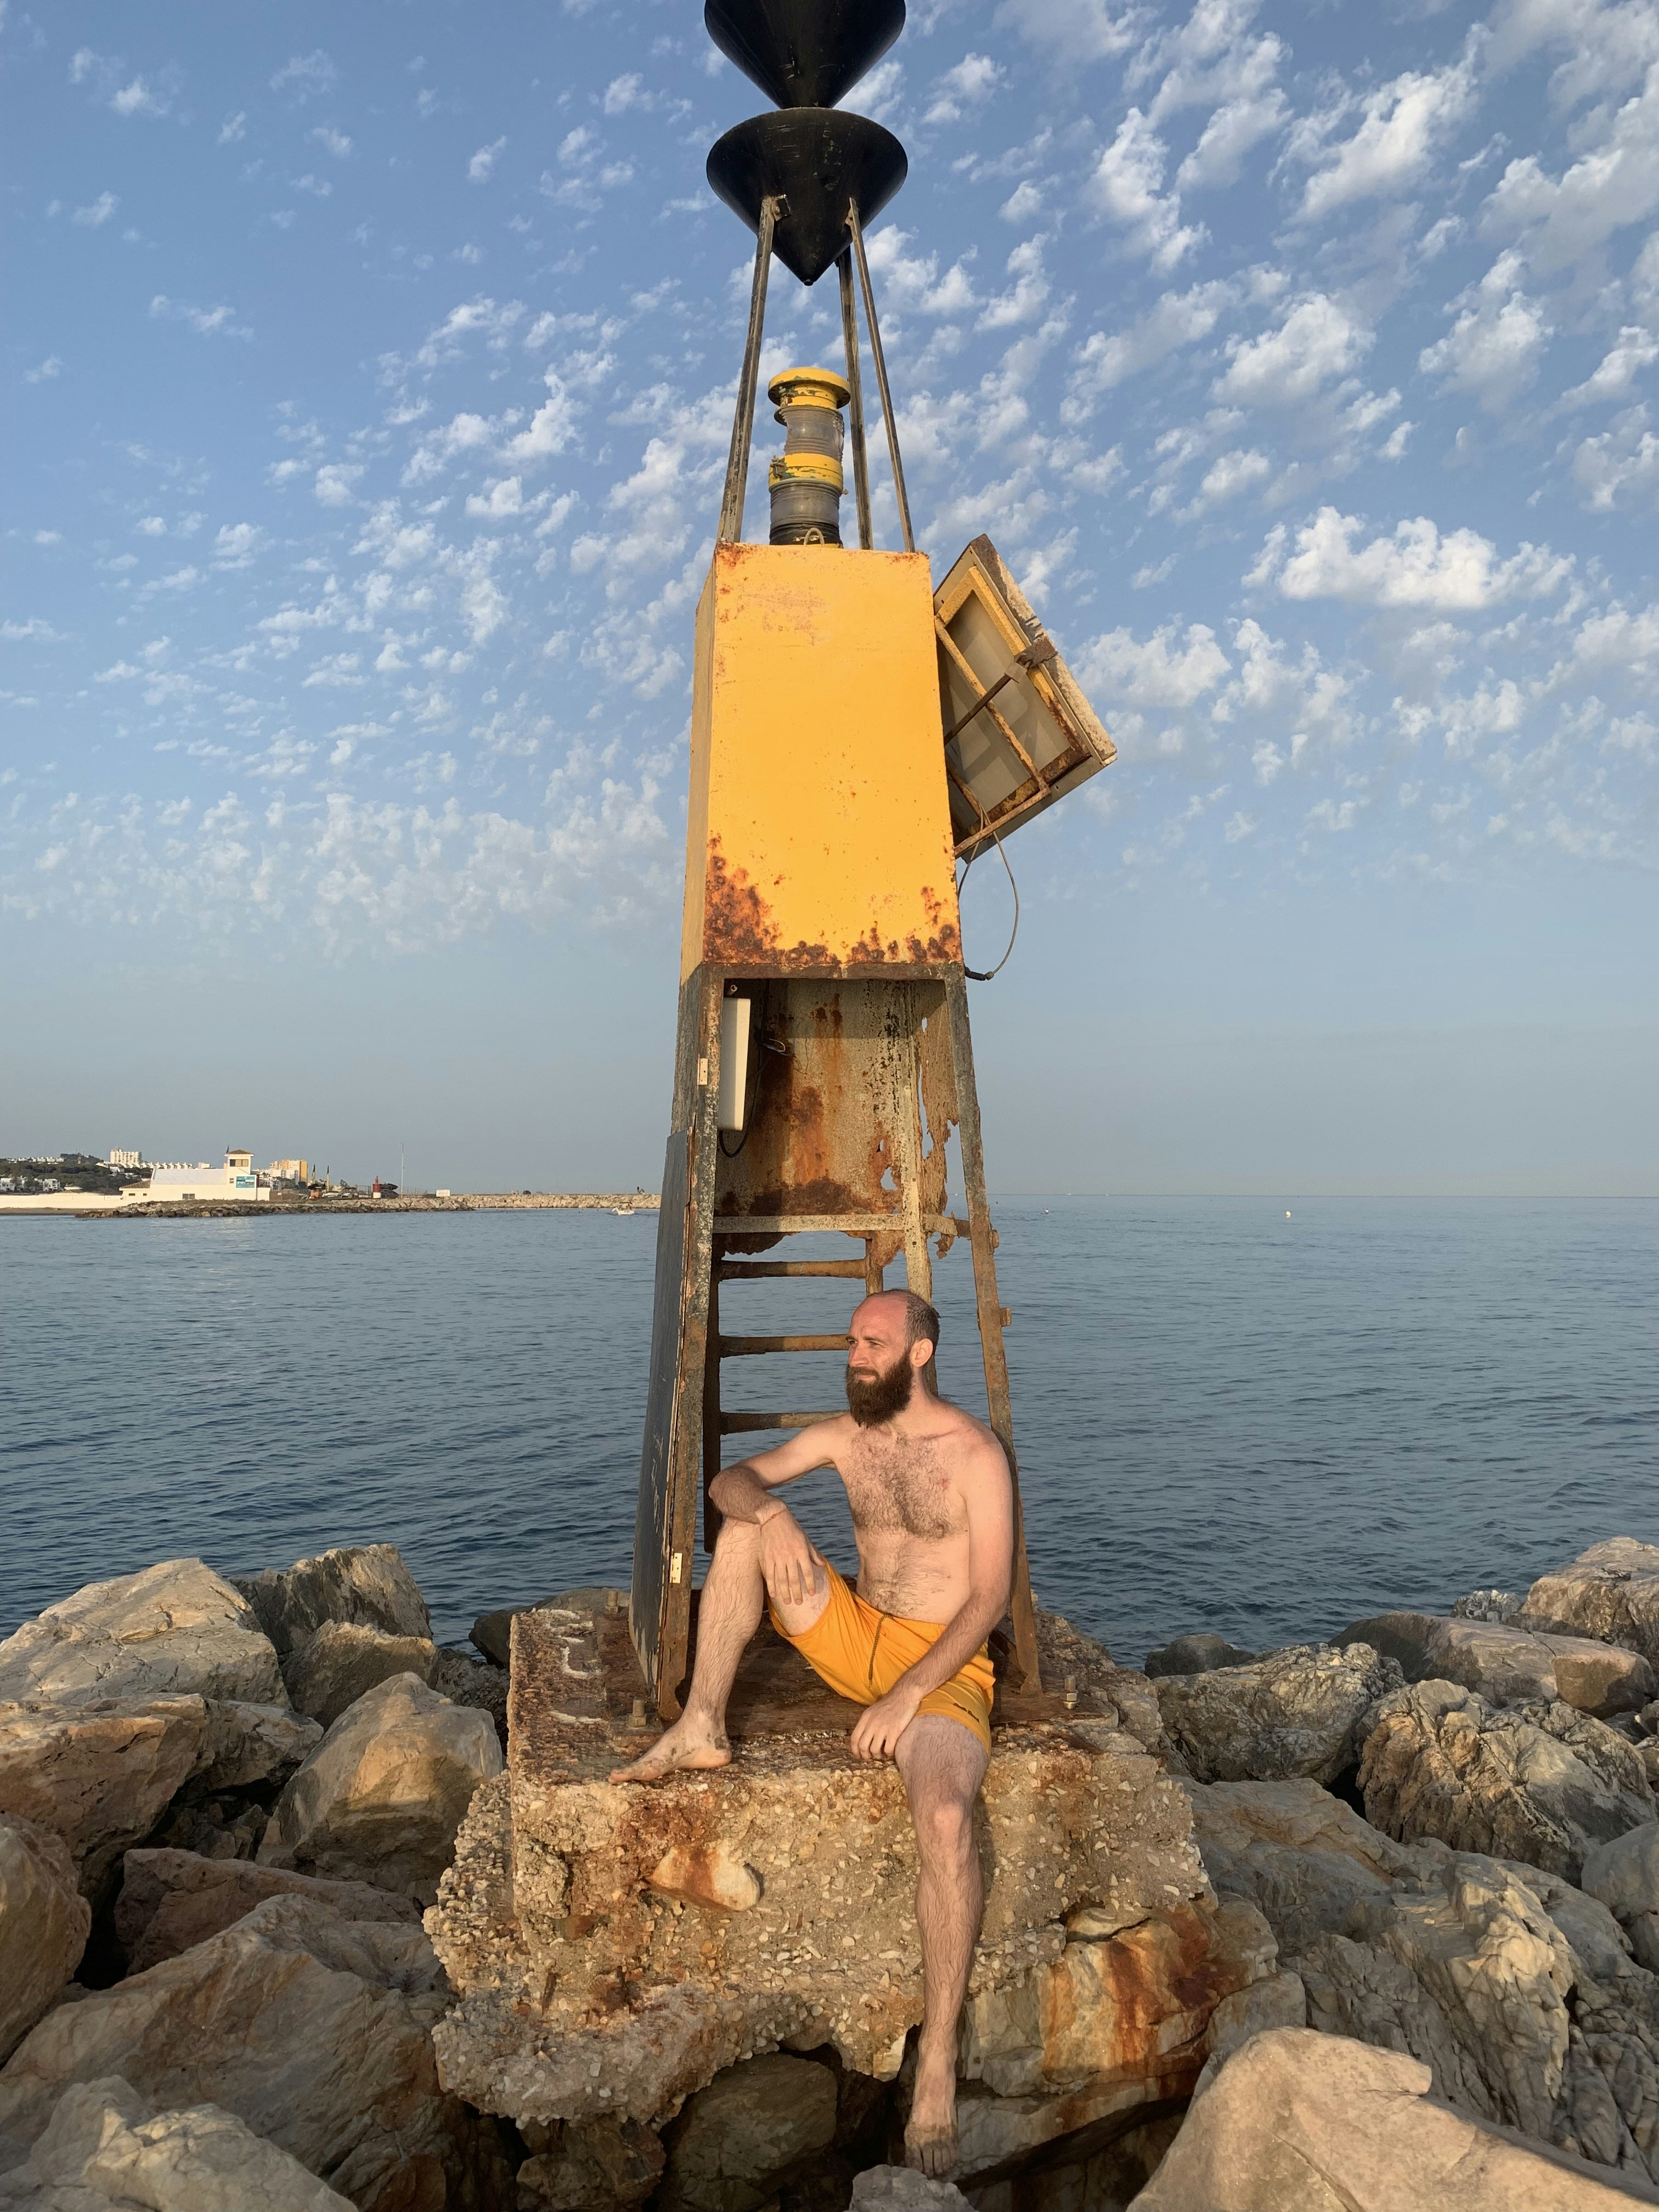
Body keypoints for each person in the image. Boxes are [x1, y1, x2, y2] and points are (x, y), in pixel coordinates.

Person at [610, 1287, 1014, 2177]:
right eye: (851, 1341)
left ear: (919, 1354)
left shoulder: (976, 1456)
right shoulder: (846, 1437)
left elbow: (987, 1598)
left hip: (940, 1670)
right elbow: (728, 1480)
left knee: (946, 1817)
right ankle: (702, 1723)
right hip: (856, 1637)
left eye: (873, 1342)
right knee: (747, 1528)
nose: (855, 1354)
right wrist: (773, 1509)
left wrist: (911, 1695)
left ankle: (938, 2058)